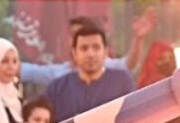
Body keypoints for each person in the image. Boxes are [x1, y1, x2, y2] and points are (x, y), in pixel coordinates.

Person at [20, 9, 154, 87]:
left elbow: (129, 63)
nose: (90, 54)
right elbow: (28, 71)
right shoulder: (59, 76)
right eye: (73, 35)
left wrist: (138, 39)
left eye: (94, 46)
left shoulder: (109, 69)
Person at [44, 24, 135, 123]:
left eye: (96, 48)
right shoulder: (57, 88)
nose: (90, 54)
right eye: (84, 48)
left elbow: (133, 121)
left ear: (105, 52)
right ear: (74, 53)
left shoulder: (122, 81)